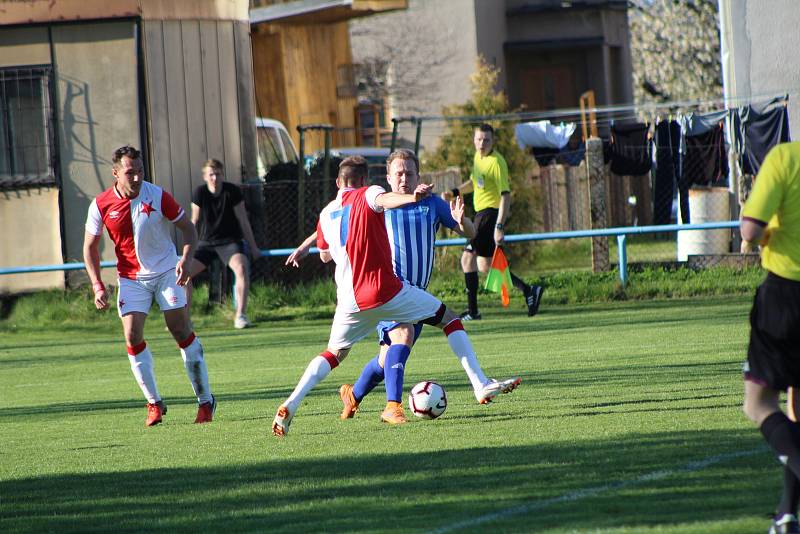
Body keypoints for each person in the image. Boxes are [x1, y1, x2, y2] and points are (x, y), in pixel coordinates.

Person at [273, 156, 519, 437]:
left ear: (418, 174)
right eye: (398, 174)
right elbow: (376, 204)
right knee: (411, 333)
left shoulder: (430, 203)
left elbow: (471, 233)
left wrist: (462, 220)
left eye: (410, 173)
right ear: (385, 178)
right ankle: (398, 405)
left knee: (379, 359)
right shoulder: (375, 198)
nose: (404, 178)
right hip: (389, 290)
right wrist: (408, 198)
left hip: (376, 295)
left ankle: (349, 395)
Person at [83, 145, 216, 427]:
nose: (136, 177)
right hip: (131, 278)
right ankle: (154, 403)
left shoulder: (156, 195)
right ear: (116, 173)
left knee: (179, 329)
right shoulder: (100, 205)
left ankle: (205, 401)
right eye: (130, 172)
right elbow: (90, 248)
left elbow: (189, 230)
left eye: (140, 171)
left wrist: (186, 258)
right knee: (131, 336)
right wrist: (97, 285)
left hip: (168, 271)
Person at [739, 142, 800, 533]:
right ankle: (787, 515)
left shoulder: (785, 159)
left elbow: (751, 227)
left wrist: (758, 236)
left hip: (786, 293)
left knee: (758, 403)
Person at [442, 123, 544, 320]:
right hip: (482, 214)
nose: (482, 143)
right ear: (473, 140)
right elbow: (474, 182)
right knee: (484, 266)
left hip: (488, 215)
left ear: (493, 141)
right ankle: (529, 290)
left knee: (467, 259)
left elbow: (505, 195)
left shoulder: (497, 162)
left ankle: (473, 312)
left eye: (486, 140)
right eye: (479, 139)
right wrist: (454, 192)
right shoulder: (478, 158)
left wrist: (499, 226)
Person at [189, 159, 260, 329]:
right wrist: (188, 250)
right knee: (183, 275)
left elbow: (243, 220)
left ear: (222, 174)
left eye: (218, 174)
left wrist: (253, 246)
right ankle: (183, 319)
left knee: (241, 268)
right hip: (206, 243)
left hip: (230, 242)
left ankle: (240, 316)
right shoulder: (199, 192)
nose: (214, 178)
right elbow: (193, 222)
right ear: (205, 176)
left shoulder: (232, 191)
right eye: (211, 174)